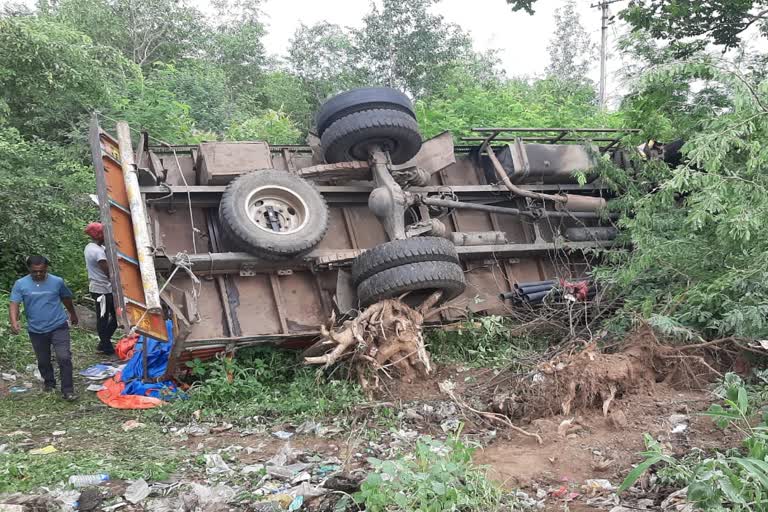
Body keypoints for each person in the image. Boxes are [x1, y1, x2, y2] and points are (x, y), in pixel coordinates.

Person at [9, 256, 79, 400]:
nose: (39, 274)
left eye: (42, 271)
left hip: (58, 325)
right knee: (43, 360)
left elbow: (66, 298)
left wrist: (72, 314)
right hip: (36, 329)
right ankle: (49, 383)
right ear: (29, 269)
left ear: (46, 268)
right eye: (35, 272)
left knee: (64, 357)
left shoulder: (57, 282)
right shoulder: (21, 284)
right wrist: (14, 321)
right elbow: (14, 303)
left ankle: (68, 390)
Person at [84, 222, 118, 355]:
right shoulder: (97, 252)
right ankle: (106, 347)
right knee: (104, 318)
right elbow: (109, 273)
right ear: (99, 235)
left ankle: (104, 343)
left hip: (101, 288)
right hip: (102, 290)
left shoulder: (91, 247)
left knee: (112, 317)